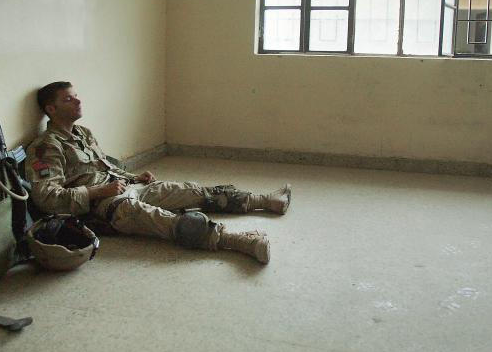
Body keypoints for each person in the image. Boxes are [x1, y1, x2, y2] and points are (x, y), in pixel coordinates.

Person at [24, 81, 291, 264]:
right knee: (164, 219)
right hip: (102, 208)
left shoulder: (83, 133)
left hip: (123, 187)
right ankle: (237, 241)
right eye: (68, 99)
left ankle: (264, 200)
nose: (78, 100)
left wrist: (133, 177)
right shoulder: (45, 147)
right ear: (51, 109)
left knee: (189, 190)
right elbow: (46, 197)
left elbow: (103, 166)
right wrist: (97, 192)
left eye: (76, 94)